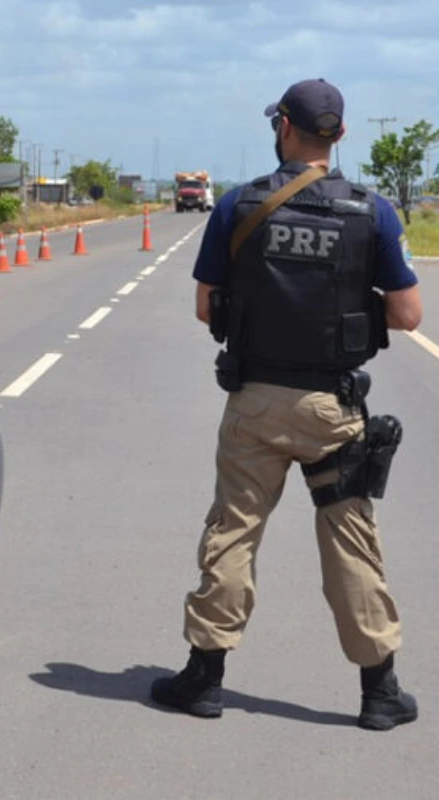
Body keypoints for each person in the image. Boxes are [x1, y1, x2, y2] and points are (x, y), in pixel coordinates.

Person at [151, 78, 423, 731]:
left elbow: (203, 306)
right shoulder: (374, 213)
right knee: (351, 539)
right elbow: (409, 314)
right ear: (341, 135)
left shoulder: (237, 206)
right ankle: (379, 692)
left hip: (255, 401)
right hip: (333, 406)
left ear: (283, 128)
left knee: (233, 532)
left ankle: (205, 679)